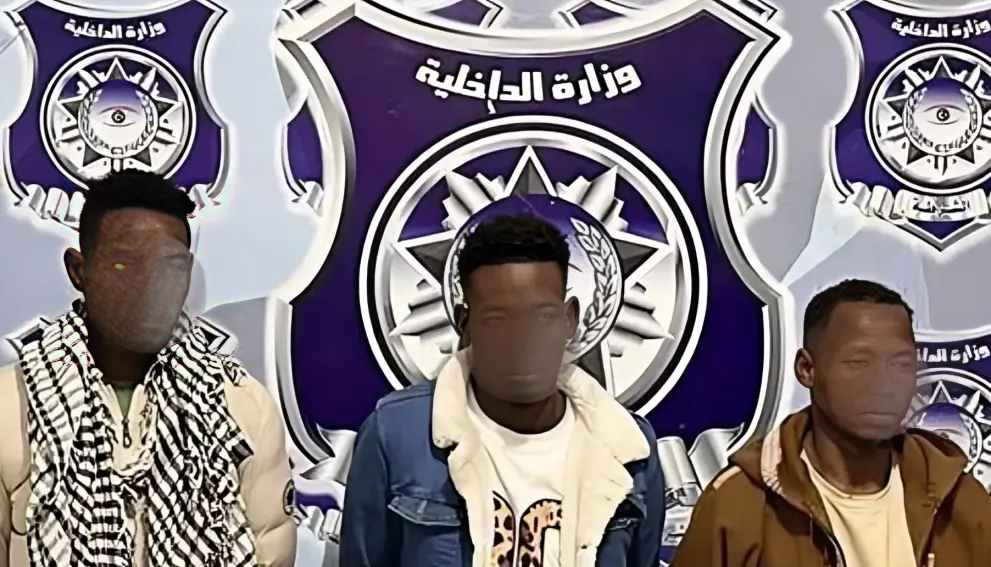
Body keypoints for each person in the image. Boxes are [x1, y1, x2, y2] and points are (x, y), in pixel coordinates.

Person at [0, 170, 297, 567]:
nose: (151, 286)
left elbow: (270, 550)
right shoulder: (11, 406)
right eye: (124, 265)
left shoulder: (240, 407)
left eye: (170, 268)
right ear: (78, 271)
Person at [340, 213, 665, 567]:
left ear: (570, 319)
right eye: (498, 320)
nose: (522, 340)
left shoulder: (628, 448)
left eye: (542, 317)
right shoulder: (395, 437)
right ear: (465, 323)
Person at [671, 279, 991, 567]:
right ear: (807, 370)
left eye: (901, 364)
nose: (884, 383)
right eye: (858, 362)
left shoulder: (960, 501)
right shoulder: (739, 505)